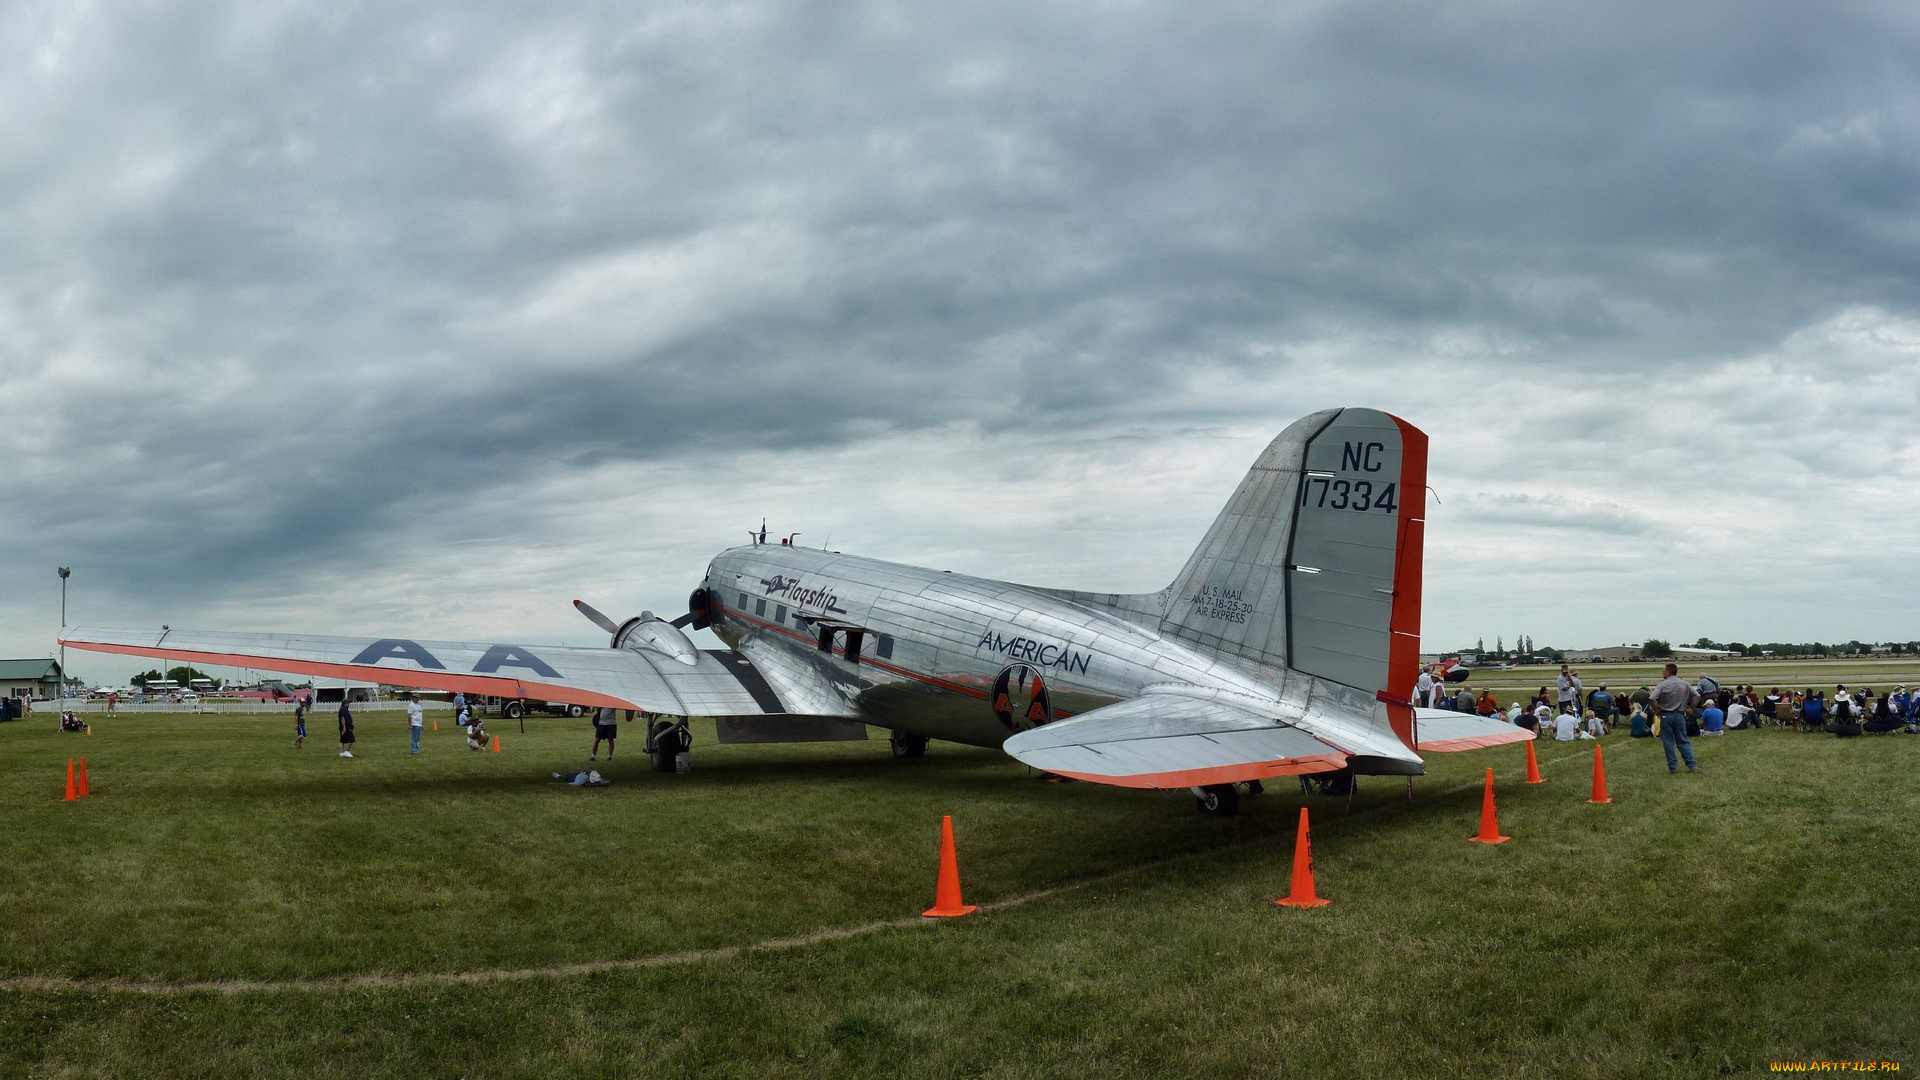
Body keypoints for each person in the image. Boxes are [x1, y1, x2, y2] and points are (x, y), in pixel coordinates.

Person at [1651, 663, 1699, 773]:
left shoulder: (1662, 685)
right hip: (1680, 715)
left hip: (1666, 715)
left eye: (1663, 670)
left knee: (1668, 742)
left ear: (1668, 672)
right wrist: (1690, 708)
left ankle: (1673, 767)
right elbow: (1697, 696)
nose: (1662, 672)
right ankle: (1692, 765)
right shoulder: (1685, 684)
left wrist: (1656, 710)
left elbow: (1652, 698)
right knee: (1683, 740)